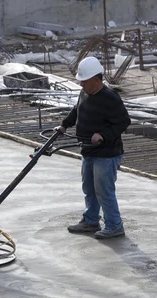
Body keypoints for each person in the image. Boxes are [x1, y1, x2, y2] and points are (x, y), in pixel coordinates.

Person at [55, 56, 130, 239]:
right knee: (89, 188)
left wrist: (103, 135)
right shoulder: (85, 93)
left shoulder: (110, 98)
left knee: (103, 190)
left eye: (84, 81)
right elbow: (77, 110)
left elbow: (124, 122)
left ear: (96, 80)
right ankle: (91, 221)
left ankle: (114, 225)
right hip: (88, 149)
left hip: (106, 154)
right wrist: (64, 124)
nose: (81, 85)